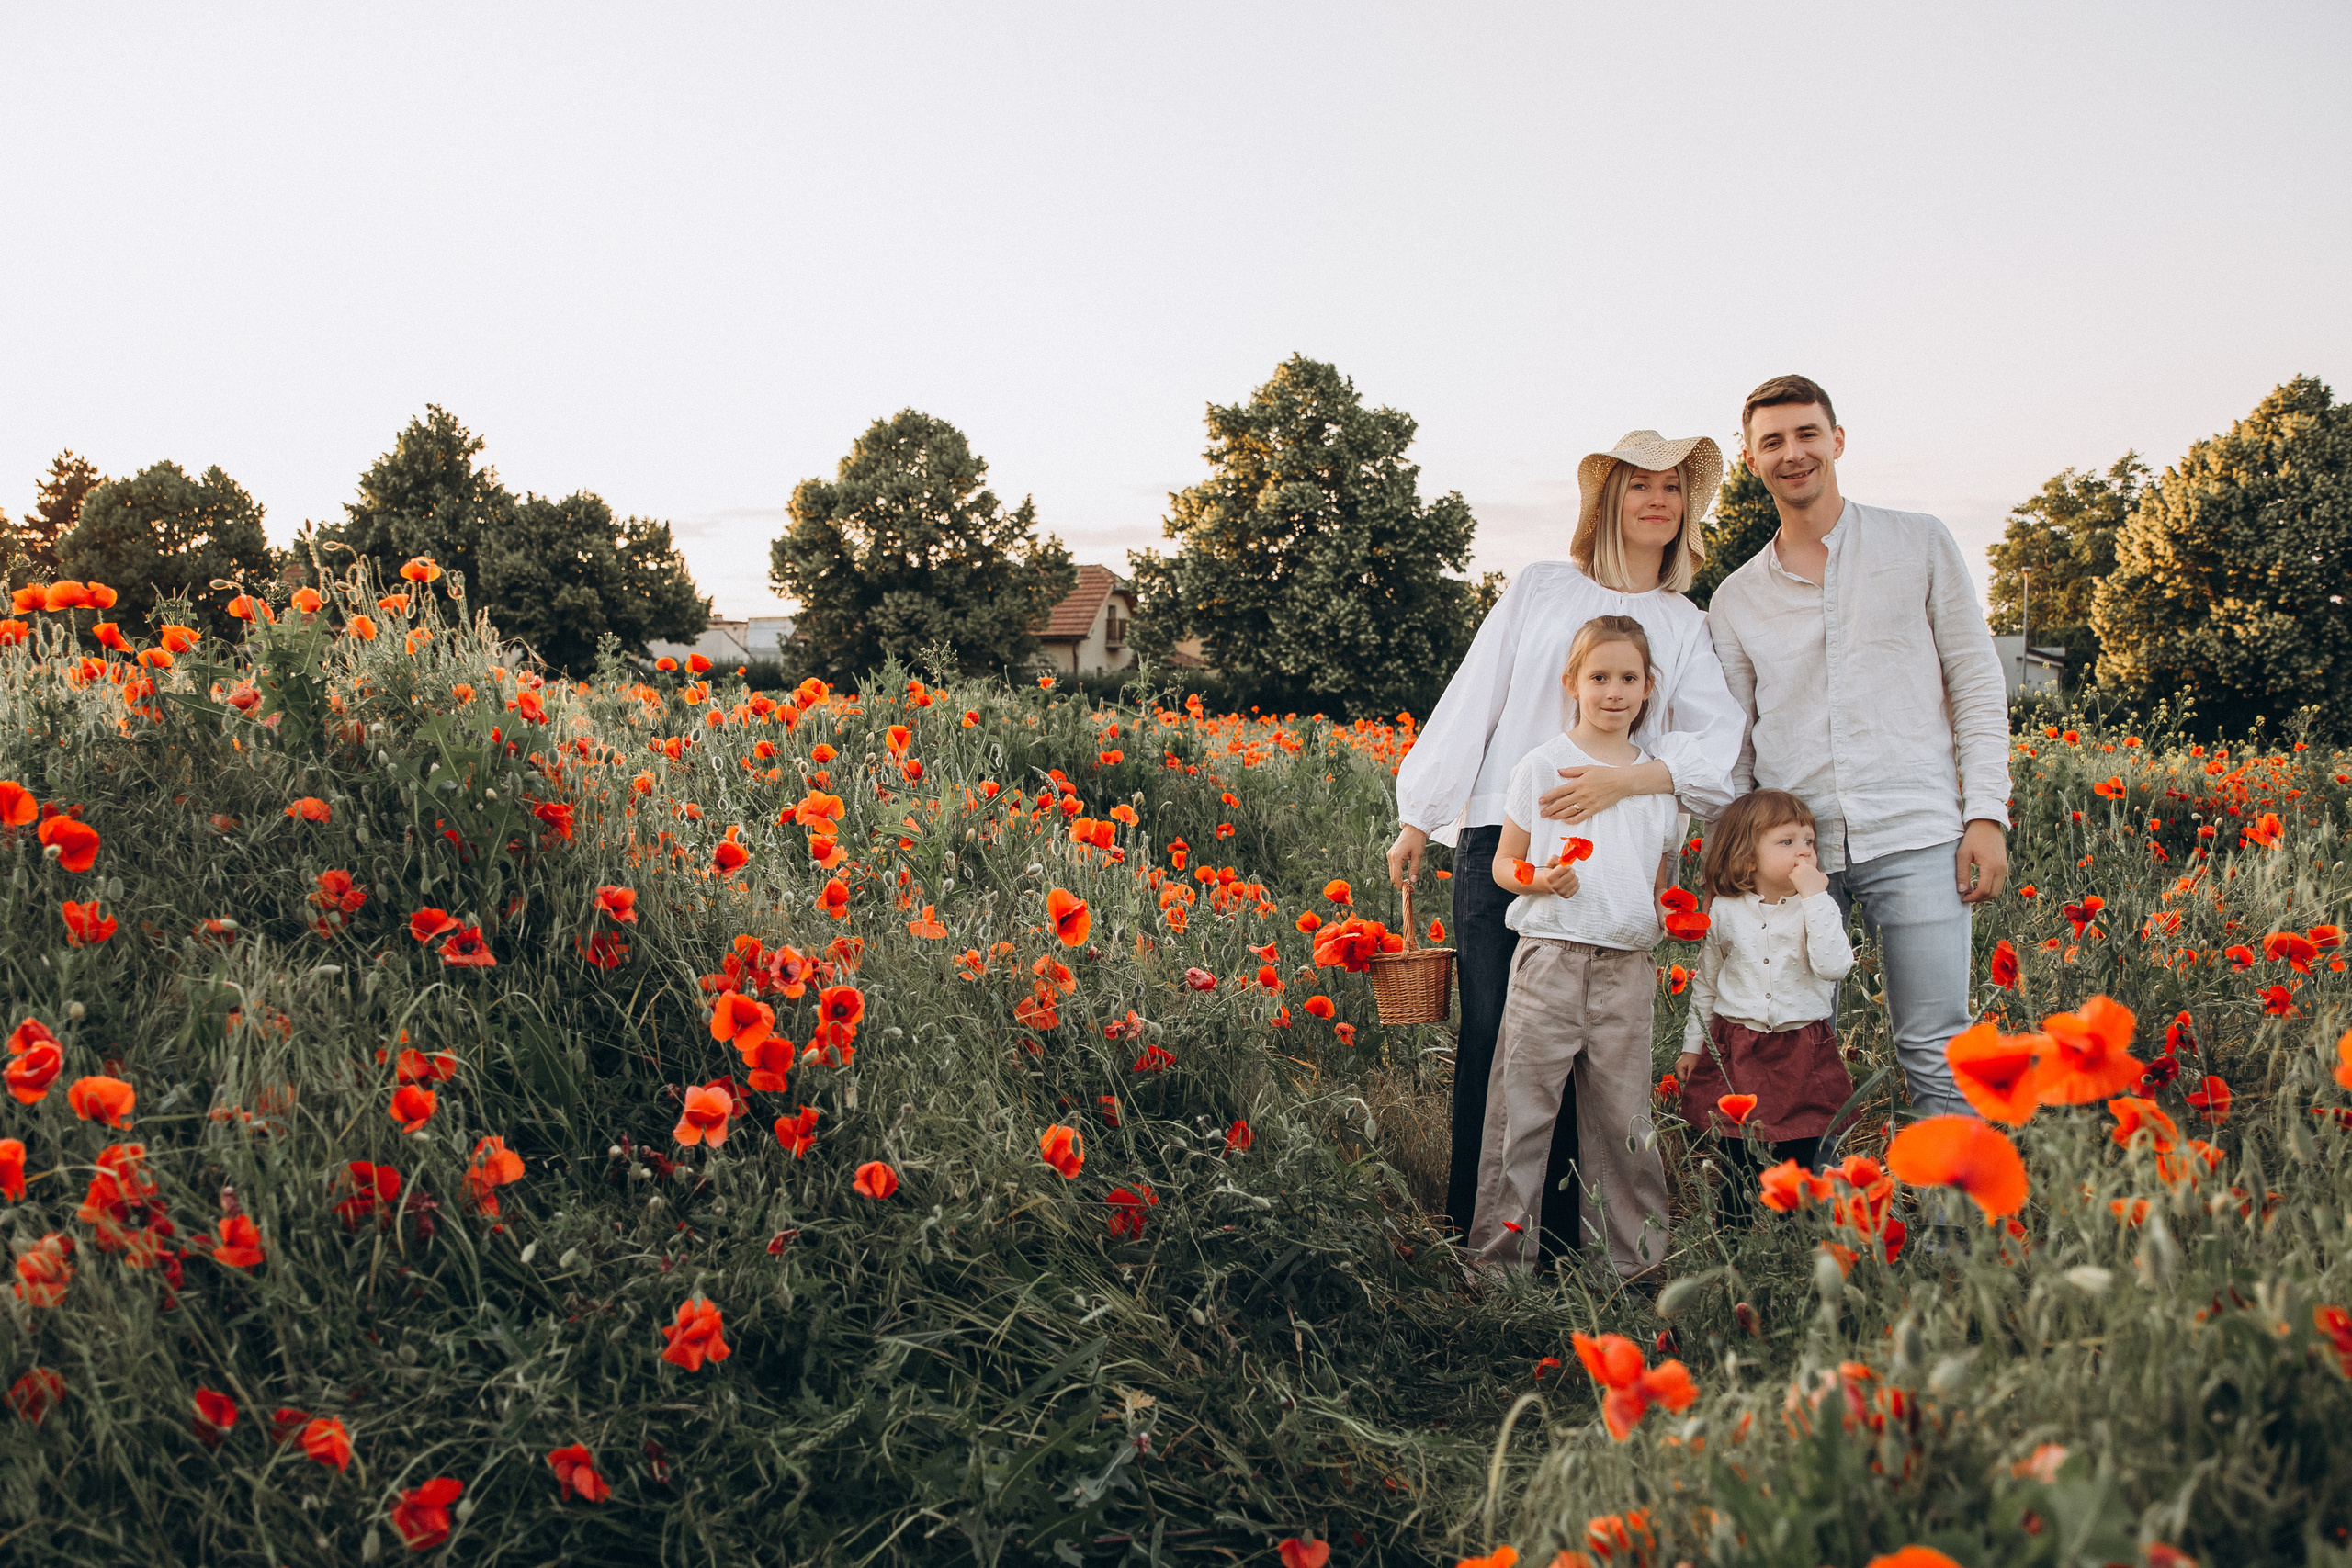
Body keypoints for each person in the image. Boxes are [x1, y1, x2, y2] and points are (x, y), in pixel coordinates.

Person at [1390, 432, 1742, 1251]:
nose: (1658, 499)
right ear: (1608, 499)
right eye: (1638, 484)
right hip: (1503, 834)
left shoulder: (1683, 625)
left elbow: (1713, 747)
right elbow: (1477, 693)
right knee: (1497, 1038)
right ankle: (1482, 1238)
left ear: (1686, 510)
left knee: (1596, 1064)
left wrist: (1625, 782)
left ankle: (1575, 1245)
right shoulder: (1542, 588)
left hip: (1613, 858)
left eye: (1672, 487)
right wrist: (1419, 814)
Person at [1706, 375, 2011, 1134]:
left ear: (1837, 440)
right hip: (1790, 853)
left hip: (1918, 830)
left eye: (1807, 433)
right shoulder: (1736, 599)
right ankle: (1804, 1227)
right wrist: (1736, 868)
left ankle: (1949, 1239)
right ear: (1751, 459)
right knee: (1785, 1044)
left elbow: (1976, 679)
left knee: (1935, 1044)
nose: (1793, 452)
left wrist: (1987, 813)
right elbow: (1737, 745)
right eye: (1771, 441)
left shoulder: (1920, 543)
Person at [1465, 615, 1682, 1278]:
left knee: (1624, 1124)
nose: (1612, 691)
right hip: (1550, 958)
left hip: (1626, 968)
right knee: (1519, 1118)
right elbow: (1505, 864)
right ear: (1571, 683)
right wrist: (1538, 878)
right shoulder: (1540, 765)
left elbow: (1662, 880)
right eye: (1599, 677)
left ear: (1649, 688)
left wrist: (1661, 917)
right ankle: (1497, 1269)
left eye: (1627, 678)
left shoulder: (1659, 782)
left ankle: (1631, 1268)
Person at [1674, 789, 1856, 1218]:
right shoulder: (1724, 911)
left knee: (1804, 1153)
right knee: (1740, 1159)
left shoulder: (1816, 907)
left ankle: (1804, 1244)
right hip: (1740, 1049)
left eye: (1808, 841)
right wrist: (1692, 1046)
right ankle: (1736, 1247)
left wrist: (1815, 898)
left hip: (1800, 1049)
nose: (1803, 853)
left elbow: (1834, 967)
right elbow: (1708, 984)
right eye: (1787, 842)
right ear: (1748, 857)